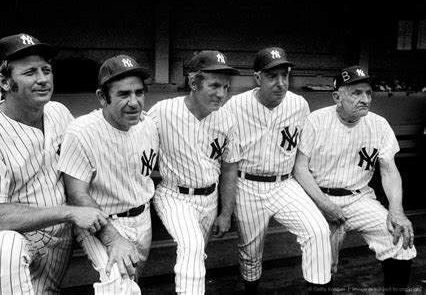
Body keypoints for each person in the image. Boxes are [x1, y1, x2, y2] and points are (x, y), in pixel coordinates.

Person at [0, 33, 109, 294]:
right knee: (4, 245)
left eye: (46, 70)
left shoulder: (58, 112)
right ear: (4, 81)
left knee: (114, 263)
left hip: (60, 238)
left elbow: (80, 164)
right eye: (30, 72)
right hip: (17, 239)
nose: (43, 79)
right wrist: (70, 212)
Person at [293, 65, 416, 294]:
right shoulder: (316, 121)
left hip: (359, 198)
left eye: (368, 93)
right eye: (356, 93)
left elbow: (389, 170)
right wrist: (325, 205)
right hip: (319, 198)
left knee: (397, 239)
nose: (365, 99)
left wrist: (396, 209)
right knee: (322, 262)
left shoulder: (379, 124)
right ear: (337, 97)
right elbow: (299, 169)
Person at [224, 47, 332, 295]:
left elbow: (301, 156)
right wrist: (226, 206)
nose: (281, 83)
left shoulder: (299, 105)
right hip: (247, 184)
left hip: (284, 183)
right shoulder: (235, 107)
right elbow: (226, 161)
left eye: (285, 75)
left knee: (318, 231)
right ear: (257, 77)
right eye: (273, 76)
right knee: (250, 254)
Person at [58, 55, 159, 295]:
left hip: (141, 217)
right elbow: (76, 194)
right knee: (116, 285)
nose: (134, 102)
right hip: (100, 220)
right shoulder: (81, 131)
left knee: (131, 283)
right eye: (123, 94)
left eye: (139, 93)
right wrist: (113, 239)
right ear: (102, 97)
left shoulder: (148, 126)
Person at [148, 50, 240, 294]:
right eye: (214, 85)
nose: (221, 94)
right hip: (174, 195)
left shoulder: (227, 118)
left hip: (209, 200)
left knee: (197, 256)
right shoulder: (163, 111)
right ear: (193, 83)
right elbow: (135, 142)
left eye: (226, 87)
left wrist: (226, 212)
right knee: (192, 245)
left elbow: (230, 169)